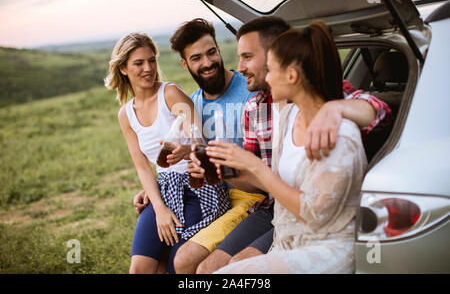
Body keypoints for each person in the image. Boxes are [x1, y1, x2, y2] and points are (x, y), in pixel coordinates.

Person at [195, 17, 391, 273]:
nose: (240, 67)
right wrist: (222, 169)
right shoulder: (266, 110)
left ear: (283, 64)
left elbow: (381, 112)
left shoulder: (335, 120)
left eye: (247, 56)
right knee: (209, 270)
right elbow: (258, 179)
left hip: (319, 235)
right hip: (276, 214)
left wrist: (335, 107)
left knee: (236, 270)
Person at [132, 19, 266, 274]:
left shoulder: (252, 91)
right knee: (155, 258)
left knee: (183, 260)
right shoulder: (190, 105)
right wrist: (151, 189)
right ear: (185, 64)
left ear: (219, 48)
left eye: (211, 52)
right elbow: (179, 159)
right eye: (196, 58)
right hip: (209, 195)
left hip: (250, 196)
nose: (207, 63)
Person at [104, 32, 230, 274]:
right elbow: (142, 166)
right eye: (139, 63)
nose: (148, 68)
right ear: (122, 69)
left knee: (174, 266)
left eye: (152, 60)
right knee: (140, 268)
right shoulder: (126, 115)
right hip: (165, 190)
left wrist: (187, 150)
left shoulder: (170, 94)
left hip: (199, 188)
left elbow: (201, 143)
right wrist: (159, 208)